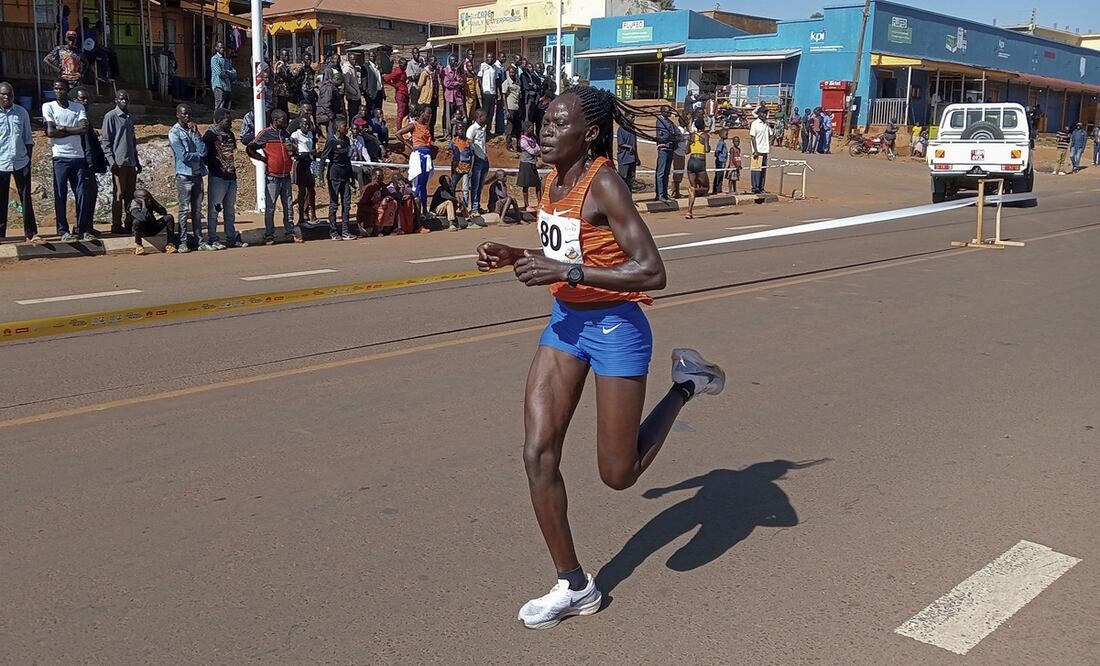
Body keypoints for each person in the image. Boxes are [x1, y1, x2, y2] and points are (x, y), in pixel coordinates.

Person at [473, 85, 725, 630]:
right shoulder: (551, 179)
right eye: (544, 120)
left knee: (619, 473)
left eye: (557, 123)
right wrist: (517, 255)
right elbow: (570, 253)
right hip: (566, 324)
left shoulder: (604, 183)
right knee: (537, 454)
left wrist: (567, 273)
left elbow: (653, 271)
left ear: (587, 134)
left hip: (616, 329)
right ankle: (574, 584)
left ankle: (685, 383)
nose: (544, 130)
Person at [43, 79, 91, 242]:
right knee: (60, 194)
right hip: (60, 157)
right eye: (56, 89)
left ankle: (83, 229)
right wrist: (73, 131)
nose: (58, 91)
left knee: (82, 194)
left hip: (78, 156)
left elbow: (84, 129)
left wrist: (63, 128)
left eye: (62, 89)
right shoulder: (48, 106)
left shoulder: (78, 107)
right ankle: (63, 230)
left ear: (67, 90)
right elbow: (50, 132)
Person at [247, 109, 301, 244]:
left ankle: (290, 232)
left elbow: (294, 150)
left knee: (288, 206)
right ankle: (269, 234)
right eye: (283, 120)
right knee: (270, 207)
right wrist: (262, 159)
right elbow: (250, 147)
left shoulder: (286, 134)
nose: (286, 122)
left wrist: (292, 148)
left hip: (286, 176)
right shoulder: (266, 134)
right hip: (272, 177)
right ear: (276, 120)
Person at [0, 81, 41, 243]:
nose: (6, 97)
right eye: (3, 94)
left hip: (21, 161)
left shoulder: (21, 112)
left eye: (9, 94)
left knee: (26, 199)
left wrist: (28, 161)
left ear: (13, 96)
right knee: (1, 200)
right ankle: (1, 235)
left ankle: (31, 233)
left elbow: (28, 139)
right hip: (1, 162)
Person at [100, 89, 141, 235]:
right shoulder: (110, 117)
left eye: (126, 99)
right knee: (119, 194)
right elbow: (106, 140)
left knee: (131, 195)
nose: (124, 101)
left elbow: (132, 141)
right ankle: (116, 224)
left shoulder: (129, 117)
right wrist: (111, 161)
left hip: (130, 162)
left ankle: (129, 222)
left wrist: (137, 161)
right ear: (116, 100)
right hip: (118, 162)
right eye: (121, 99)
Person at [168, 103, 207, 252]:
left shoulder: (192, 130)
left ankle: (199, 239)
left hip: (197, 174)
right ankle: (183, 241)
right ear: (177, 114)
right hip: (184, 175)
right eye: (184, 114)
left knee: (197, 210)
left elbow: (203, 150)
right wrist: (199, 155)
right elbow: (183, 155)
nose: (187, 116)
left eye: (189, 113)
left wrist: (197, 134)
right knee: (184, 209)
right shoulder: (174, 133)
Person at [203, 108, 244, 250]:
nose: (231, 123)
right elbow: (205, 157)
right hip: (217, 177)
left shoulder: (230, 134)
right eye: (228, 120)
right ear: (219, 120)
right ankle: (213, 238)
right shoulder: (209, 135)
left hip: (231, 176)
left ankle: (231, 238)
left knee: (230, 209)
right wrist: (217, 167)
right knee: (215, 209)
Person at [72, 88, 104, 235]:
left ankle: (87, 225)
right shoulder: (76, 120)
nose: (85, 102)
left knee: (92, 193)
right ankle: (81, 227)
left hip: (90, 165)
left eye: (86, 99)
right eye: (81, 99)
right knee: (84, 195)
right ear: (75, 100)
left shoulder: (86, 119)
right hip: (81, 164)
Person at [319, 117, 356, 240]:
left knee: (346, 204)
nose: (347, 128)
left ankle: (345, 230)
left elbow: (347, 160)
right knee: (334, 204)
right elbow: (323, 158)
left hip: (345, 176)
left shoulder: (346, 140)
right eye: (344, 126)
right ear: (338, 128)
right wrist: (321, 177)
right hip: (334, 176)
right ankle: (333, 230)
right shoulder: (331, 141)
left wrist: (351, 176)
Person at [397, 104, 435, 211]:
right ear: (422, 113)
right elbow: (398, 133)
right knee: (418, 184)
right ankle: (416, 211)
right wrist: (410, 146)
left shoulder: (426, 126)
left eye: (431, 113)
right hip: (419, 157)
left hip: (427, 156)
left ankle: (424, 210)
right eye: (428, 113)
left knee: (423, 185)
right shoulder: (414, 125)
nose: (430, 115)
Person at [290, 114, 319, 224]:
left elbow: (312, 147)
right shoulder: (295, 135)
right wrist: (307, 153)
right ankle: (301, 216)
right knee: (302, 190)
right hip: (300, 163)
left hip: (310, 163)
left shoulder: (311, 134)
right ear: (300, 124)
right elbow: (294, 152)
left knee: (311, 190)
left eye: (308, 124)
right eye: (305, 124)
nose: (307, 127)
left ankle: (313, 214)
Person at [130, 188, 176, 255]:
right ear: (138, 199)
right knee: (136, 222)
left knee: (169, 217)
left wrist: (154, 201)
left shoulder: (149, 201)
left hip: (153, 227)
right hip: (142, 231)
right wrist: (144, 204)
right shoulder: (133, 205)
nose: (148, 199)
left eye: (149, 197)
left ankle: (170, 245)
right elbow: (143, 218)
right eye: (146, 198)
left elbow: (163, 212)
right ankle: (139, 245)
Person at [684, 118, 710, 220]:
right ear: (703, 126)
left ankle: (689, 211)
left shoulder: (692, 136)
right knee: (706, 188)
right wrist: (705, 144)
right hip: (700, 161)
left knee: (692, 187)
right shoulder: (705, 135)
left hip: (691, 161)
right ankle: (695, 189)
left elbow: (686, 151)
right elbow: (707, 150)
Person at [466, 109, 490, 214]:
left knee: (480, 185)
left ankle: (478, 205)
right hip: (477, 160)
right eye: (484, 116)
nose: (486, 118)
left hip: (484, 159)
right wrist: (474, 156)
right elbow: (470, 144)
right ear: (479, 117)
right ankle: (474, 208)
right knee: (475, 186)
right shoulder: (472, 129)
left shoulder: (483, 128)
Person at [518, 122, 543, 213]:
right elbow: (533, 151)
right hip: (525, 164)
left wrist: (536, 151)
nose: (532, 129)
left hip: (532, 163)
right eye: (530, 128)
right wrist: (536, 151)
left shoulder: (532, 138)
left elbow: (538, 149)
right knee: (526, 186)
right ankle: (526, 205)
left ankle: (540, 202)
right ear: (526, 129)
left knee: (538, 184)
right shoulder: (523, 140)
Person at [450, 121, 473, 213]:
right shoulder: (454, 141)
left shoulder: (468, 141)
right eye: (459, 129)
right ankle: (453, 203)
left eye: (462, 129)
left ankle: (465, 205)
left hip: (466, 167)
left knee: (465, 187)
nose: (461, 131)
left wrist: (471, 168)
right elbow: (451, 152)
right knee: (452, 186)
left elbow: (472, 155)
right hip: (456, 167)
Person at [654, 106, 676, 203]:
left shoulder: (669, 122)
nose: (670, 113)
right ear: (663, 112)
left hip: (670, 148)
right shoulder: (660, 121)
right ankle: (660, 194)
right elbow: (666, 134)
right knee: (661, 173)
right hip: (663, 148)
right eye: (668, 112)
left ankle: (665, 193)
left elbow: (673, 132)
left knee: (666, 173)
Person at [749, 107, 771, 195]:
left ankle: (761, 187)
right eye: (764, 113)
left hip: (765, 150)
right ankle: (755, 187)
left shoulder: (766, 124)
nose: (765, 115)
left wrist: (768, 142)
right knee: (756, 170)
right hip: (757, 151)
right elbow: (752, 137)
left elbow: (771, 134)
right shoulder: (755, 124)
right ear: (759, 114)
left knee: (763, 170)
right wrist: (755, 150)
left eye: (766, 113)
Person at [442, 57, 465, 137]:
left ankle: (456, 132)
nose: (455, 62)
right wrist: (457, 83)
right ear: (450, 61)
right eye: (453, 61)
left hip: (457, 96)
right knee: (449, 116)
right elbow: (447, 84)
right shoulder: (445, 71)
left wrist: (460, 80)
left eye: (456, 61)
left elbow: (459, 79)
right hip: (449, 96)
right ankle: (448, 133)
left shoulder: (456, 70)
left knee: (459, 114)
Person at [384, 58, 410, 128]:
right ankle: (399, 130)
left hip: (405, 93)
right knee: (401, 113)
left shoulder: (403, 71)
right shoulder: (398, 72)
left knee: (406, 112)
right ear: (400, 64)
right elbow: (386, 78)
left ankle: (404, 128)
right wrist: (395, 85)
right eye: (404, 65)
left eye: (406, 65)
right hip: (400, 94)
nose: (405, 67)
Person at [210, 42, 236, 111]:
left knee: (227, 107)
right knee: (219, 107)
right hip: (218, 85)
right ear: (216, 48)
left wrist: (227, 72)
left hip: (227, 86)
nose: (222, 49)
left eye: (222, 47)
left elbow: (234, 73)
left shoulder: (226, 60)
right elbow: (220, 73)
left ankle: (224, 121)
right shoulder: (214, 59)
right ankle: (217, 121)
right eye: (220, 47)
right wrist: (228, 73)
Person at [502, 66, 522, 152]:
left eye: (513, 72)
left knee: (518, 128)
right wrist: (506, 110)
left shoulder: (518, 82)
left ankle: (518, 145)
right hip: (510, 107)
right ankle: (508, 145)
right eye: (510, 72)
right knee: (509, 128)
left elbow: (519, 94)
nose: (512, 74)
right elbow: (504, 96)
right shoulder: (506, 83)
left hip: (517, 107)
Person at [479, 52, 498, 136]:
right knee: (485, 113)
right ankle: (482, 130)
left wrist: (497, 92)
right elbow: (479, 78)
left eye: (492, 58)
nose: (490, 59)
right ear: (486, 58)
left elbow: (496, 80)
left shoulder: (494, 67)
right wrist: (482, 90)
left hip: (493, 93)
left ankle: (488, 130)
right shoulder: (483, 66)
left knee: (491, 113)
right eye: (489, 57)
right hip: (486, 93)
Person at [616, 123, 639, 193]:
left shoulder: (632, 129)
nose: (632, 119)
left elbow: (635, 145)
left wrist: (637, 157)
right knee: (623, 179)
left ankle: (629, 197)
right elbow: (620, 143)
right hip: (624, 158)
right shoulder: (621, 129)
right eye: (631, 117)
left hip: (632, 158)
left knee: (631, 179)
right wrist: (629, 147)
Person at [671, 113, 688, 199]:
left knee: (679, 172)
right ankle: (675, 192)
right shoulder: (680, 131)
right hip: (678, 153)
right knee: (677, 172)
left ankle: (676, 191)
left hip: (680, 153)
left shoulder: (683, 131)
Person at [406, 49, 423, 114]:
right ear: (412, 54)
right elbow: (410, 78)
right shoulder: (410, 64)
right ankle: (411, 118)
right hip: (414, 87)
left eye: (418, 53)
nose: (417, 54)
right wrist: (419, 74)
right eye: (415, 53)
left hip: (421, 88)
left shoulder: (422, 64)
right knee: (413, 105)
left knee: (420, 105)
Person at [712, 128, 728, 195]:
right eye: (726, 134)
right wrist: (719, 159)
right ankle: (718, 190)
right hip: (720, 161)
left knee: (719, 175)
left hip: (721, 161)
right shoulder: (721, 143)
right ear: (721, 135)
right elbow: (717, 151)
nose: (727, 136)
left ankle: (716, 189)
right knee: (719, 175)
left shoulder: (722, 142)